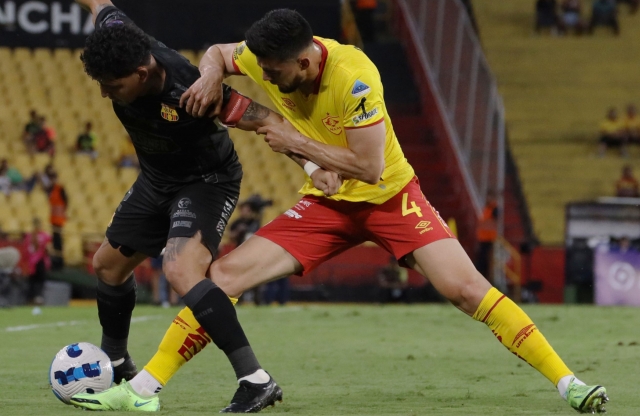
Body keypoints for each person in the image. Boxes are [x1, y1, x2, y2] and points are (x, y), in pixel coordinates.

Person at [81, 9, 608, 414]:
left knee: (467, 290)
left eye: (275, 73)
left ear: (305, 62)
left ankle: (570, 384)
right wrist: (209, 77)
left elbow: (370, 168)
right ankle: (143, 389)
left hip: (391, 200)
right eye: (262, 70)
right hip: (326, 206)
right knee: (222, 277)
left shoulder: (355, 77)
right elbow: (219, 52)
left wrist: (296, 143)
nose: (267, 79)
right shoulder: (272, 57)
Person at [66, 0, 341, 412]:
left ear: (141, 73)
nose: (105, 93)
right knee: (107, 266)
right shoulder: (120, 38)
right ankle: (118, 365)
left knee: (181, 270)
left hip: (206, 181)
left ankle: (255, 379)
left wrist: (312, 165)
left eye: (113, 86)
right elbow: (99, 3)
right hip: (156, 179)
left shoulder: (192, 91)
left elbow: (268, 120)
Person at [23, 218, 52, 305]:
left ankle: (31, 298)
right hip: (39, 260)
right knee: (38, 280)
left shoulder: (29, 236)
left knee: (33, 280)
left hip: (32, 261)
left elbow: (26, 250)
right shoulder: (44, 236)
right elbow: (48, 249)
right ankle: (37, 297)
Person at [475, 191, 498, 281]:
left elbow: (493, 222)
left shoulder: (494, 209)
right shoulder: (486, 209)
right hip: (482, 238)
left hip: (489, 238)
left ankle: (487, 278)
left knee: (486, 260)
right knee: (481, 259)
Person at [47, 172, 67, 270]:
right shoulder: (51, 189)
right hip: (53, 219)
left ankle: (60, 263)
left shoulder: (60, 189)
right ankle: (56, 262)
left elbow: (65, 202)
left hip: (58, 220)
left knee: (58, 242)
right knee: (55, 242)